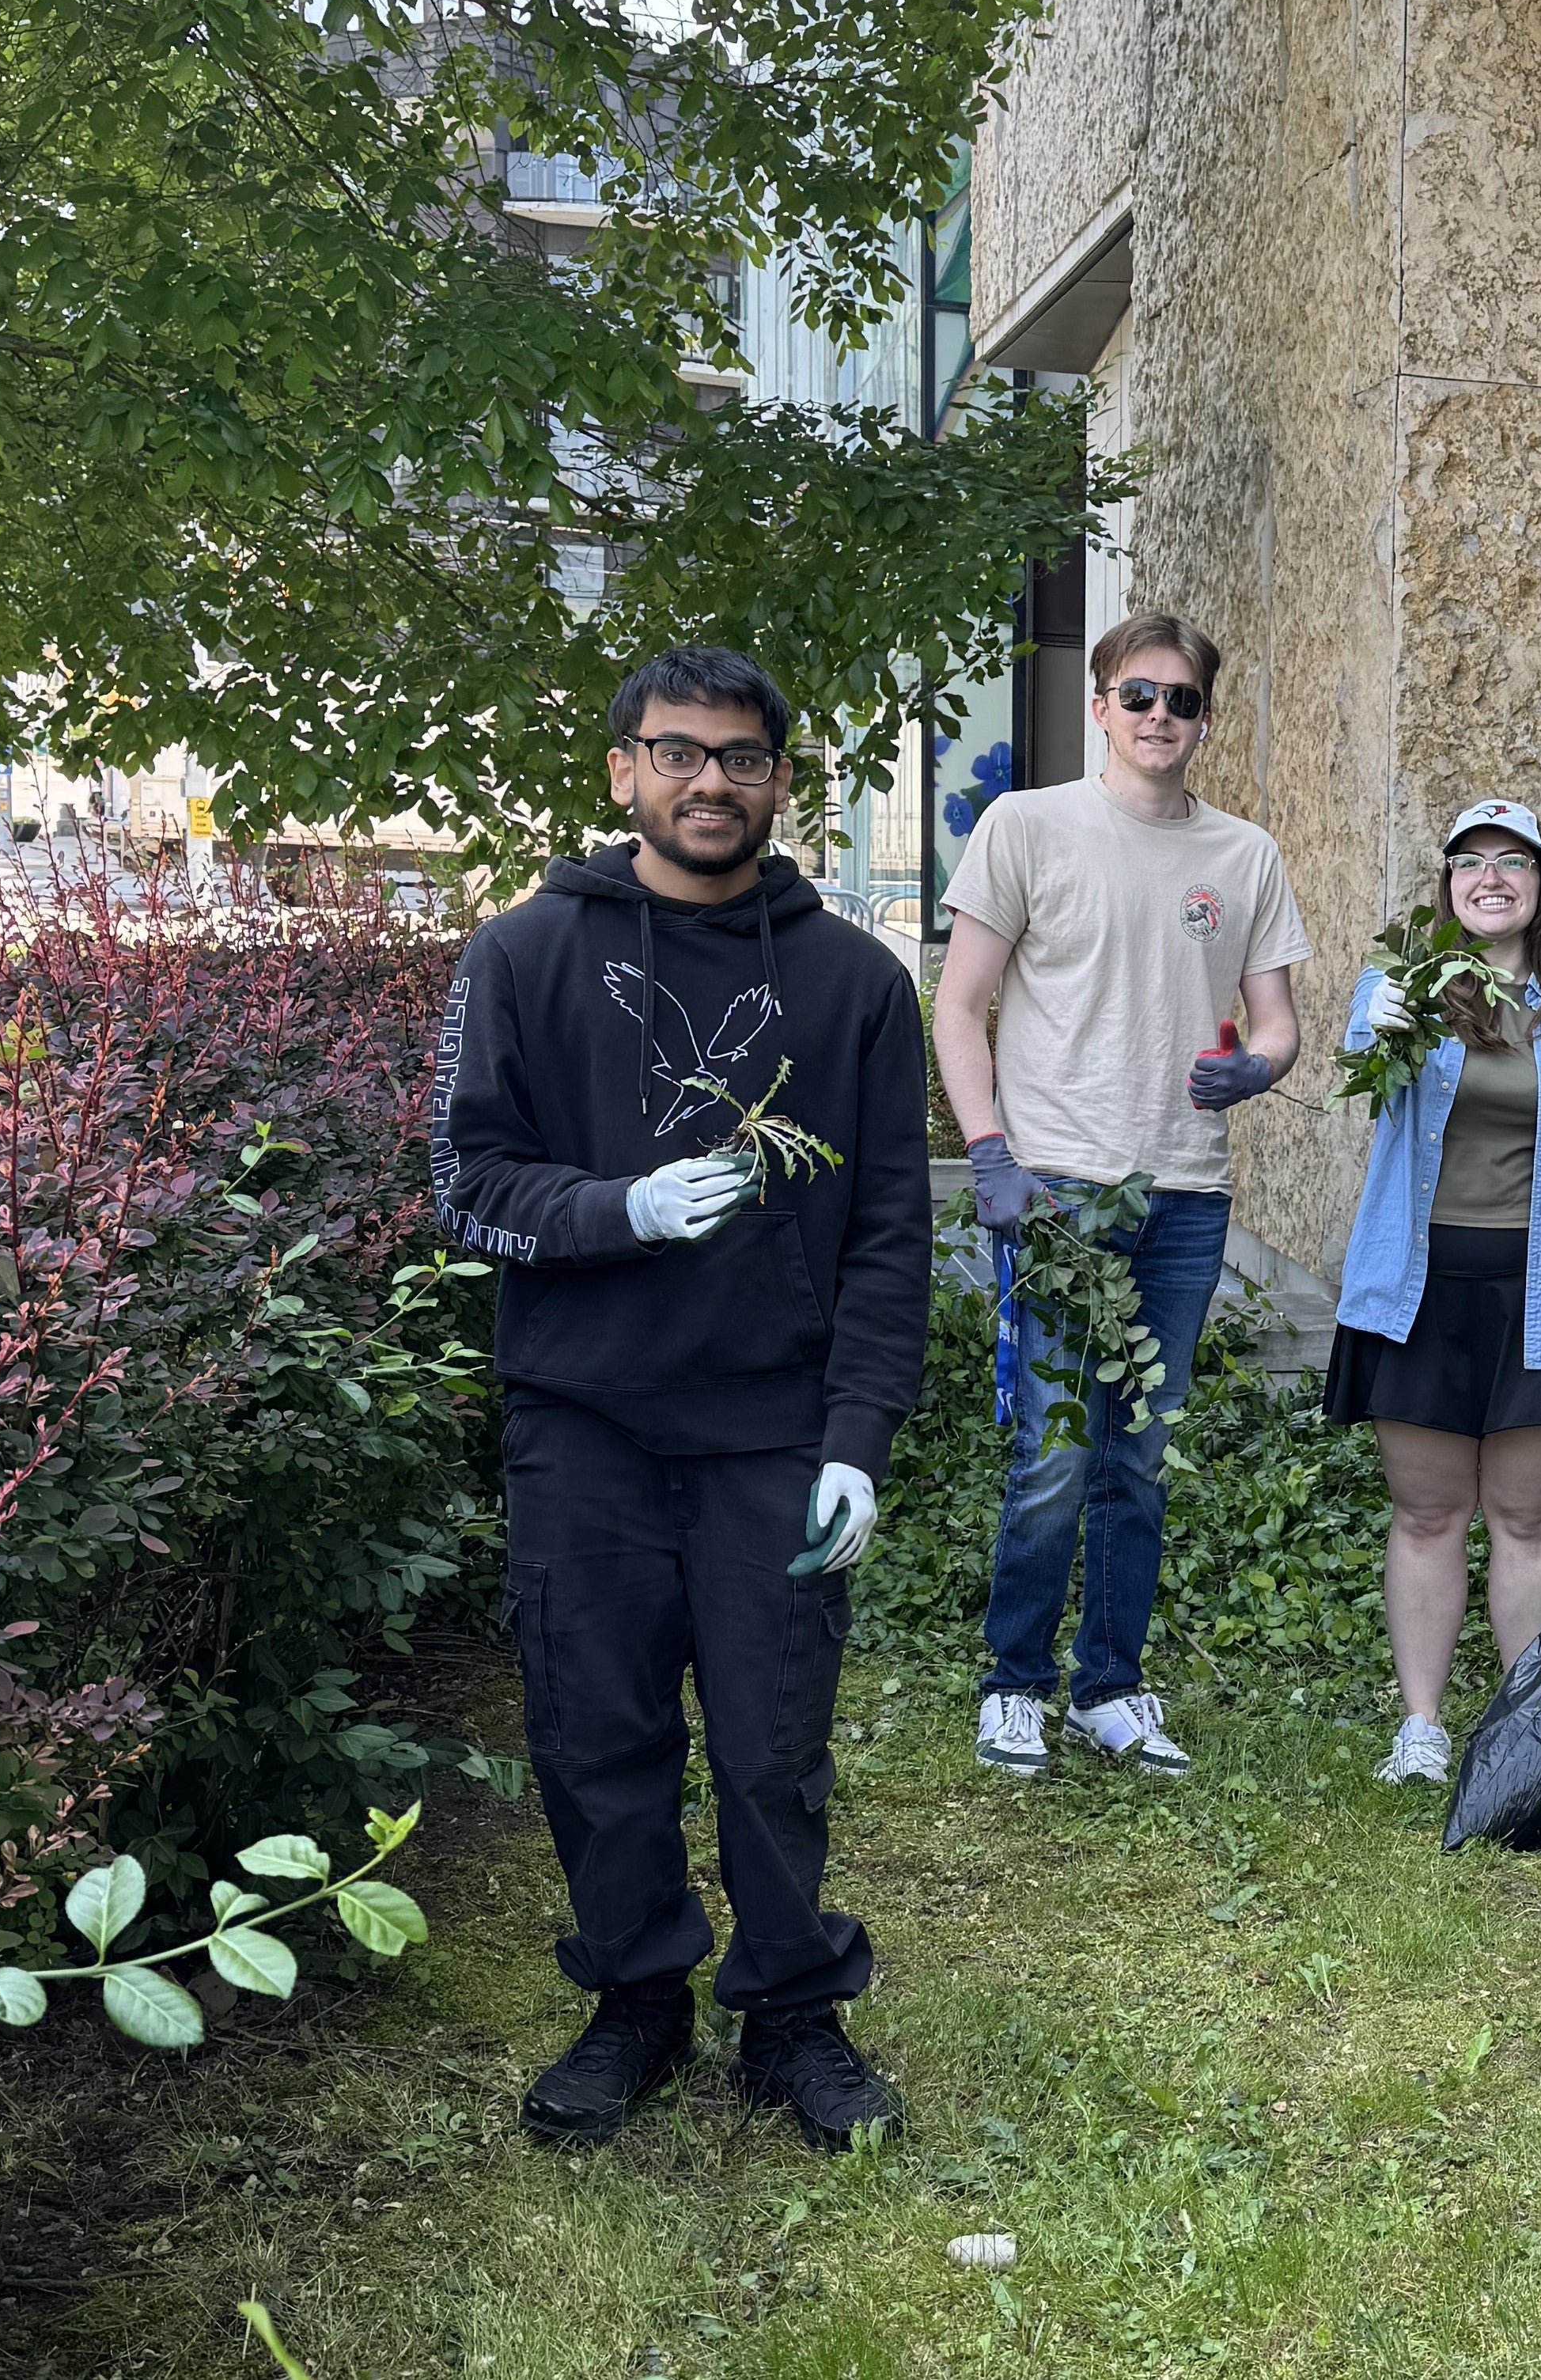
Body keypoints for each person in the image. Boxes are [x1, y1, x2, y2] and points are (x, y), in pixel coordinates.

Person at [432, 645, 929, 2153]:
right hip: (581, 1417)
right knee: (597, 1730)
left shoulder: (854, 980)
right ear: (621, 773)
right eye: (677, 752)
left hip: (772, 1429)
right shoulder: (521, 955)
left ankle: (790, 2012)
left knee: (772, 1742)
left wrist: (857, 1437)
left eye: (742, 755)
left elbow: (893, 1232)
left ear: (784, 779)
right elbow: (468, 1186)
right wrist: (616, 1211)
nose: (711, 779)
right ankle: (637, 1994)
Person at [934, 611, 1309, 1783]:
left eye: (1182, 700)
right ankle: (1014, 1686)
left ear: (1204, 716)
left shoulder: (1242, 855)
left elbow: (1280, 1018)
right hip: (1055, 1189)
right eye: (1138, 695)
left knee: (1139, 1454)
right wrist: (990, 1151)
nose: (1160, 716)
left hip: (1184, 1196)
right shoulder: (1028, 826)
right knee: (1054, 1452)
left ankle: (1112, 1685)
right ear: (1100, 706)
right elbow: (959, 1005)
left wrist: (1263, 1062)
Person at [1328, 799, 1541, 1785]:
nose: (1490, 876)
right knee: (1428, 1512)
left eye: (1511, 860)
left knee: (1529, 1515)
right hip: (1420, 1288)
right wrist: (1376, 1031)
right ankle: (1424, 1726)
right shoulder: (1399, 987)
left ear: (1538, 882)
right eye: (1469, 862)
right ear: (1446, 886)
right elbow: (1362, 1072)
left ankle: (1527, 1728)